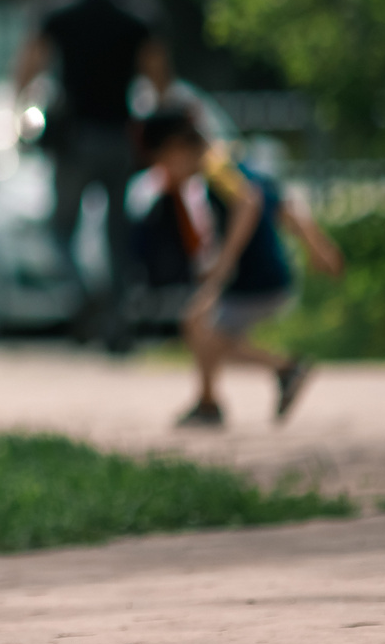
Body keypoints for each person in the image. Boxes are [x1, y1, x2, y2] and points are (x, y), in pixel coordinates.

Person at [13, 0, 172, 350]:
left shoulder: (58, 6)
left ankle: (84, 298)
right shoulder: (137, 10)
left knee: (59, 230)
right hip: (120, 136)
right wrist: (161, 126)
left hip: (74, 137)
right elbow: (159, 77)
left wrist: (18, 108)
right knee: (117, 237)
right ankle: (116, 321)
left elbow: (29, 64)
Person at [130, 111, 344, 428]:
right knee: (197, 324)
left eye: (162, 163)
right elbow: (280, 202)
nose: (165, 174)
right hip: (265, 273)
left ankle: (284, 368)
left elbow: (250, 202)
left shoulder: (215, 167)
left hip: (257, 275)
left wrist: (222, 264)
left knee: (203, 330)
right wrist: (317, 246)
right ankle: (210, 401)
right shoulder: (230, 158)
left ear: (176, 148)